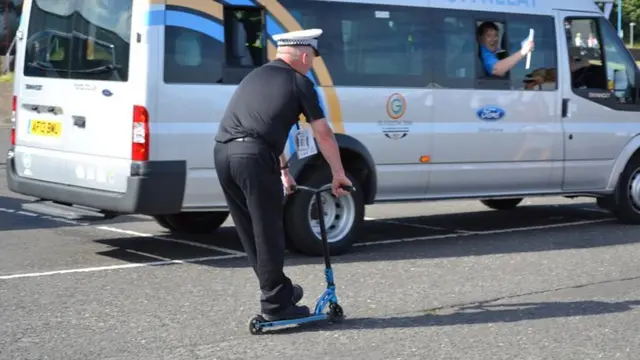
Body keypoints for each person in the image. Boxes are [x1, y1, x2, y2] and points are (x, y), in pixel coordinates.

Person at [213, 28, 353, 321]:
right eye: (312, 58)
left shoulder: (255, 77)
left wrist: (283, 171)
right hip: (253, 156)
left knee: (251, 230)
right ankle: (277, 305)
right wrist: (338, 173)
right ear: (304, 55)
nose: (311, 64)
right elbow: (323, 134)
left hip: (223, 153)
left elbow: (264, 124)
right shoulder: (299, 82)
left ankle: (280, 291)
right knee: (268, 229)